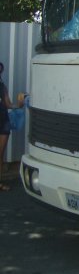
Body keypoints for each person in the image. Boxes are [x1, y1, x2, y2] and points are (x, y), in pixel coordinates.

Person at [0, 62, 24, 192]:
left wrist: (19, 105)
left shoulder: (2, 87)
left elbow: (8, 104)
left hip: (3, 122)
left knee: (0, 155)